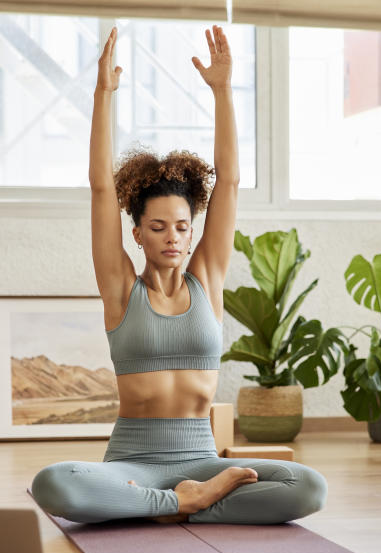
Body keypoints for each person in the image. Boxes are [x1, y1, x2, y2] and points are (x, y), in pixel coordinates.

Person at [31, 25, 327, 524]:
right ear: (138, 235)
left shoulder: (207, 279)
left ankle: (175, 504)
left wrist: (223, 90)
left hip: (203, 458)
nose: (172, 236)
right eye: (158, 226)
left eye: (182, 227)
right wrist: (103, 93)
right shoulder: (121, 290)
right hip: (132, 463)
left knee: (307, 487)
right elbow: (102, 188)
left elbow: (228, 181)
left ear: (192, 235)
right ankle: (188, 503)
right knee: (53, 483)